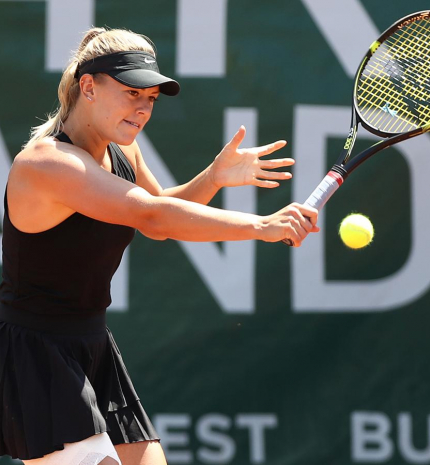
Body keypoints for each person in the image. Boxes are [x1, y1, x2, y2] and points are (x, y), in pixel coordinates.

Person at [0, 27, 319, 465]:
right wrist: (262, 225)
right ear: (88, 87)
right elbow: (152, 215)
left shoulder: (122, 154)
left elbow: (160, 217)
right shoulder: (45, 163)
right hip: (36, 355)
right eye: (132, 93)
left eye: (150, 98)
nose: (143, 109)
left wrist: (213, 177)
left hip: (92, 344)